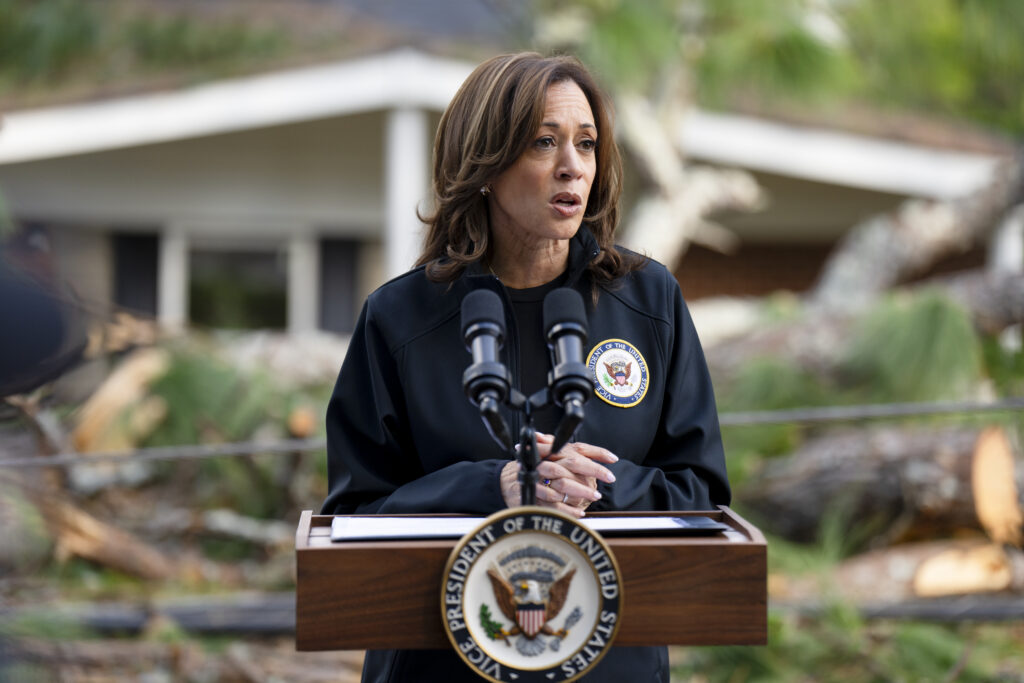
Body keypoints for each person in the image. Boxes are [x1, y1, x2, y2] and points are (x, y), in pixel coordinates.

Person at [322, 52, 730, 683]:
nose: (573, 166)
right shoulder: (399, 317)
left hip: (611, 665)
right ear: (485, 163)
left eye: (587, 144)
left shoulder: (649, 301)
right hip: (440, 666)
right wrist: (495, 487)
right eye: (545, 142)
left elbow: (701, 497)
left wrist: (586, 486)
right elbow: (355, 518)